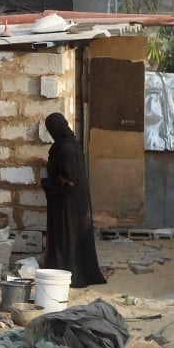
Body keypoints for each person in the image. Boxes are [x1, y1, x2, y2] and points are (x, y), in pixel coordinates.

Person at [41, 113, 107, 287]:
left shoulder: (66, 149)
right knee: (71, 237)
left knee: (67, 237)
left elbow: (68, 180)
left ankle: (70, 274)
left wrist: (47, 183)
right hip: (71, 202)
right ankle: (71, 272)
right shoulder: (68, 144)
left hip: (67, 203)